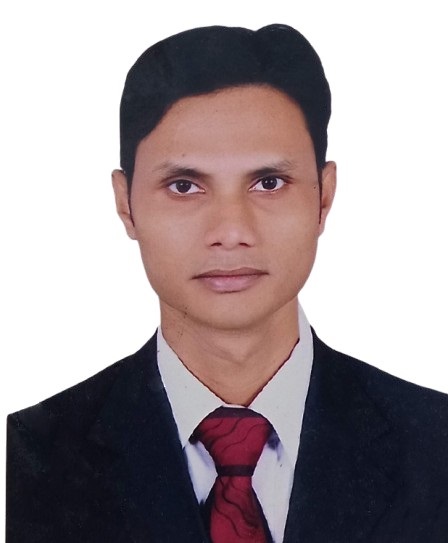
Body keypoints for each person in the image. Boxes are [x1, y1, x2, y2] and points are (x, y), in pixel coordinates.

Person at [6, 24, 448, 543]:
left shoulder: (436, 446)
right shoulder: (24, 460)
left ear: (324, 197)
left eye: (269, 183)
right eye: (184, 186)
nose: (231, 231)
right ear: (125, 204)